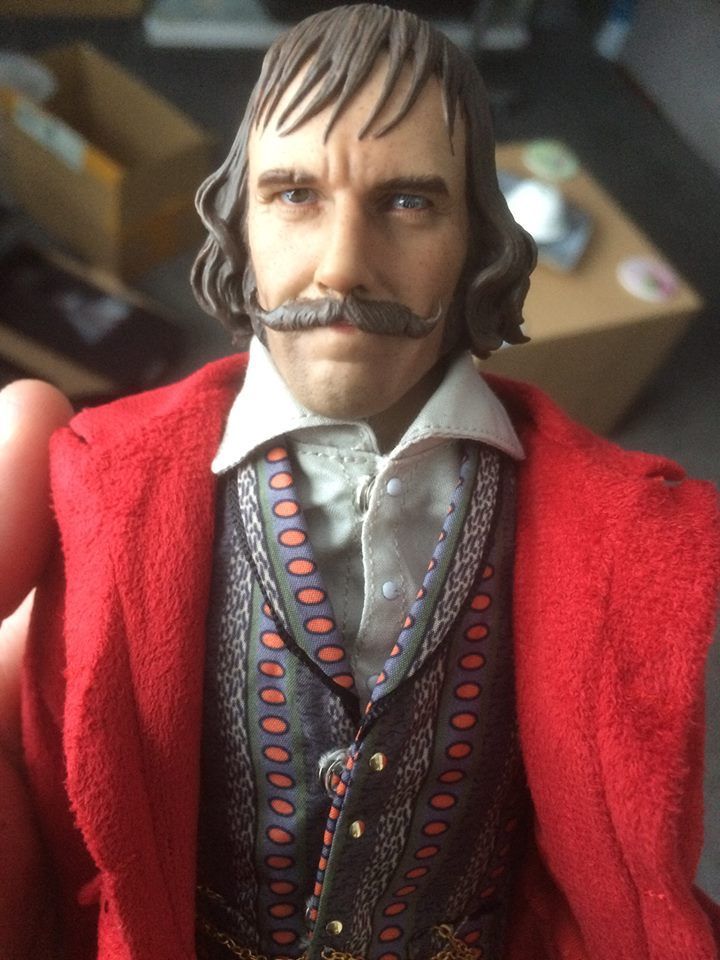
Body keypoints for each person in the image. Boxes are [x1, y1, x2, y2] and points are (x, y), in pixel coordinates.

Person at [3, 5, 719, 959]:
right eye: (295, 194)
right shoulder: (99, 489)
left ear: (478, 237)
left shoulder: (618, 534)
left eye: (409, 202)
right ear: (239, 218)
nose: (342, 267)